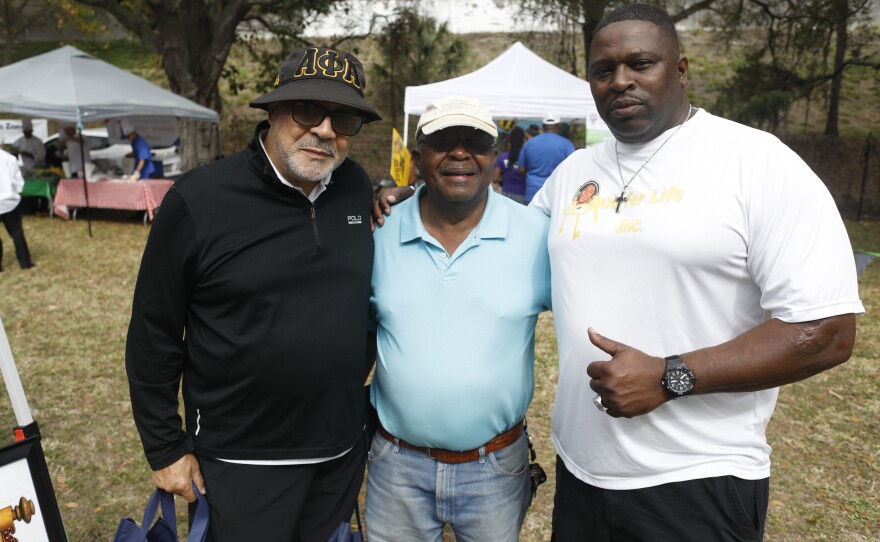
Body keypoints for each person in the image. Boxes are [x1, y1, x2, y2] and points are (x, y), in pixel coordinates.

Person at [527, 4, 863, 541]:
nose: (621, 81)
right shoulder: (574, 172)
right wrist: (413, 205)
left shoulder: (755, 162)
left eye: (641, 63)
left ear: (680, 70)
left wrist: (671, 375)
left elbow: (827, 332)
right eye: (603, 70)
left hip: (698, 481)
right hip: (581, 474)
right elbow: (500, 241)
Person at [125, 45, 381, 541]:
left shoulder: (353, 187)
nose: (325, 130)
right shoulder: (198, 200)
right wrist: (164, 448)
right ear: (274, 111)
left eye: (344, 118)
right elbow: (153, 331)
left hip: (339, 453)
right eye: (309, 110)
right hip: (239, 459)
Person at [366, 95, 551, 541]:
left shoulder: (537, 235)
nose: (461, 153)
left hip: (494, 467)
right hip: (396, 464)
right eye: (444, 141)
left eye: (476, 143)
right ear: (416, 159)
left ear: (495, 156)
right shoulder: (377, 231)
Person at [518, 113, 575, 203]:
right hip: (556, 193)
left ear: (543, 126)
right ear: (559, 126)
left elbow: (521, 169)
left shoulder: (529, 143)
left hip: (532, 193)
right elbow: (573, 169)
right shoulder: (566, 144)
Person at [0, 149, 34, 271]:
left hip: (8, 201)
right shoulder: (10, 159)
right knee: (17, 233)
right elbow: (19, 183)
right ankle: (25, 262)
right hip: (10, 202)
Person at [493, 126, 527, 203]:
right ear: (523, 140)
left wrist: (504, 178)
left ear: (510, 140)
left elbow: (495, 179)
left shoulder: (502, 157)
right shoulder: (526, 157)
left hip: (506, 193)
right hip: (522, 194)